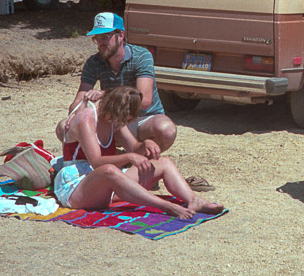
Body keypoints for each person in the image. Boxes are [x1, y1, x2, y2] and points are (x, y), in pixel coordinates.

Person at [54, 86, 222, 218]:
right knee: (109, 170)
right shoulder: (86, 119)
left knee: (164, 162)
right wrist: (129, 157)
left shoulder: (112, 118)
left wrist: (146, 144)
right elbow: (96, 162)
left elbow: (134, 147)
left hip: (105, 183)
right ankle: (165, 206)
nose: (124, 122)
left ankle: (194, 200)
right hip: (76, 185)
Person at [71, 12, 177, 154]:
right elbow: (79, 100)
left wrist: (104, 95)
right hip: (114, 120)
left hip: (143, 118)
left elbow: (144, 100)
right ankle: (120, 158)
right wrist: (74, 114)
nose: (100, 43)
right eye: (97, 38)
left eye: (105, 37)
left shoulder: (141, 56)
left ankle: (140, 160)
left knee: (166, 129)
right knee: (63, 128)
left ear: (120, 36)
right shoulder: (93, 62)